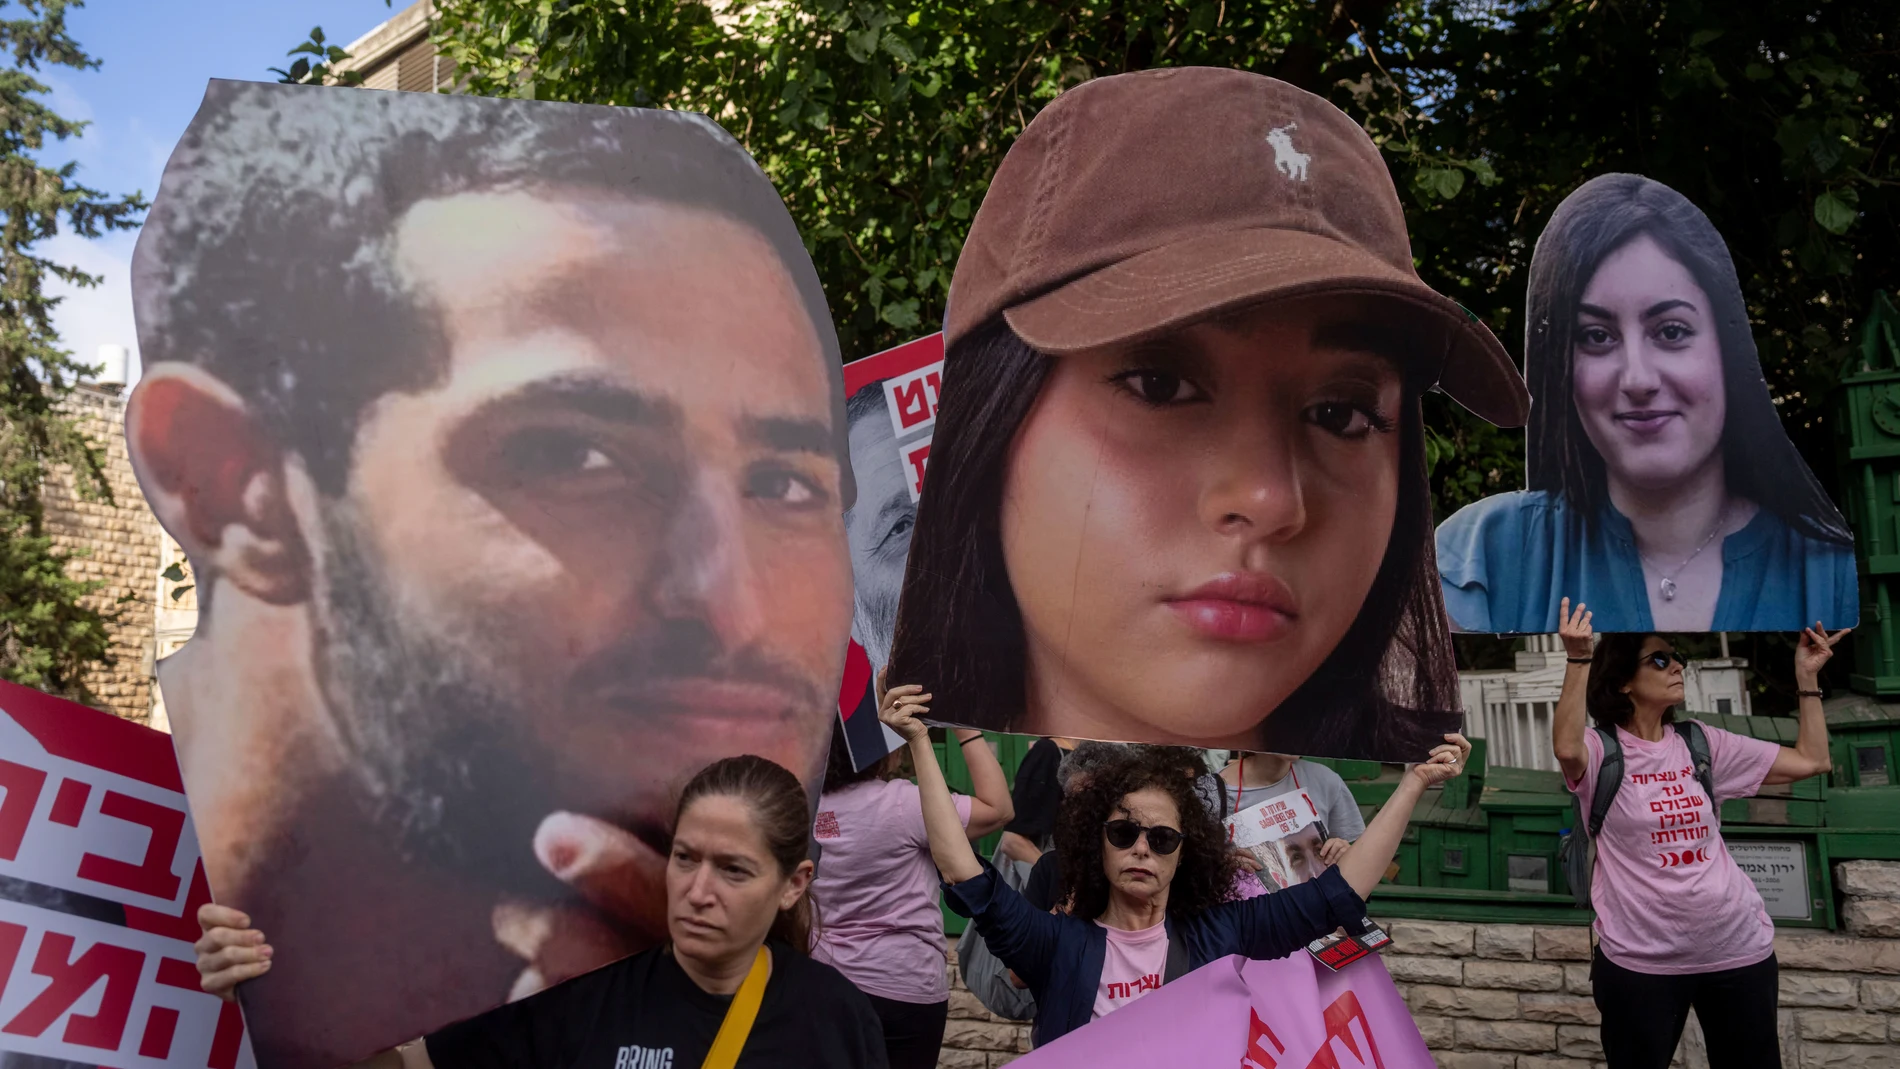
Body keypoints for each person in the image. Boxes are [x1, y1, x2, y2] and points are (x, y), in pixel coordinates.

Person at [128, 83, 857, 1066]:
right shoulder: (94, 939)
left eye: (781, 480)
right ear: (237, 485)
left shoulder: (807, 1012)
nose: (732, 607)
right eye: (573, 456)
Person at [884, 67, 1528, 761]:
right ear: (989, 417)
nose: (1271, 499)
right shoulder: (840, 810)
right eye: (1159, 384)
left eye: (1341, 413)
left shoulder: (1415, 806)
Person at [193, 756, 887, 1069]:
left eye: (733, 869)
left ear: (794, 883)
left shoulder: (838, 1019)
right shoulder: (581, 988)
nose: (698, 889)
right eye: (685, 857)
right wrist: (267, 992)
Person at [880, 681, 1470, 1046]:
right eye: (1124, 831)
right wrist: (919, 742)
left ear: (1185, 853)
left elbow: (1339, 892)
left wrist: (1415, 783)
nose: (1142, 846)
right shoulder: (1056, 945)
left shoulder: (1221, 933)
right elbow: (964, 872)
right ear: (1097, 843)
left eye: (1163, 838)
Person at [1436, 175, 1857, 634]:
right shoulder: (1481, 562)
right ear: (1561, 366)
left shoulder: (1829, 572)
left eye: (1671, 331)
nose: (1637, 379)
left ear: (1728, 350)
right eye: (1596, 337)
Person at [1551, 599, 1845, 1069]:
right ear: (1625, 681)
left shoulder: (1701, 743)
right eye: (1660, 659)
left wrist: (1807, 680)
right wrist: (1579, 657)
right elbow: (1566, 746)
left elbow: (1813, 761)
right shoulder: (1599, 750)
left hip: (1739, 950)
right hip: (1640, 963)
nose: (1678, 666)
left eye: (1678, 656)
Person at [810, 717, 1014, 1069]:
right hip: (904, 984)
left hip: (824, 984)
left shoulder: (805, 808)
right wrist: (964, 727)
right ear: (880, 752)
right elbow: (998, 810)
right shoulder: (903, 804)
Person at [1196, 752, 1364, 866]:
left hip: (1313, 914)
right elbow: (1185, 872)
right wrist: (1219, 867)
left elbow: (1357, 869)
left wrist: (1343, 854)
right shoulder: (1207, 792)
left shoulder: (1325, 780)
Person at [999, 737, 1077, 866]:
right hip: (1049, 876)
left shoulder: (1099, 753)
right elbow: (1012, 841)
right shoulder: (1046, 752)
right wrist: (1054, 877)